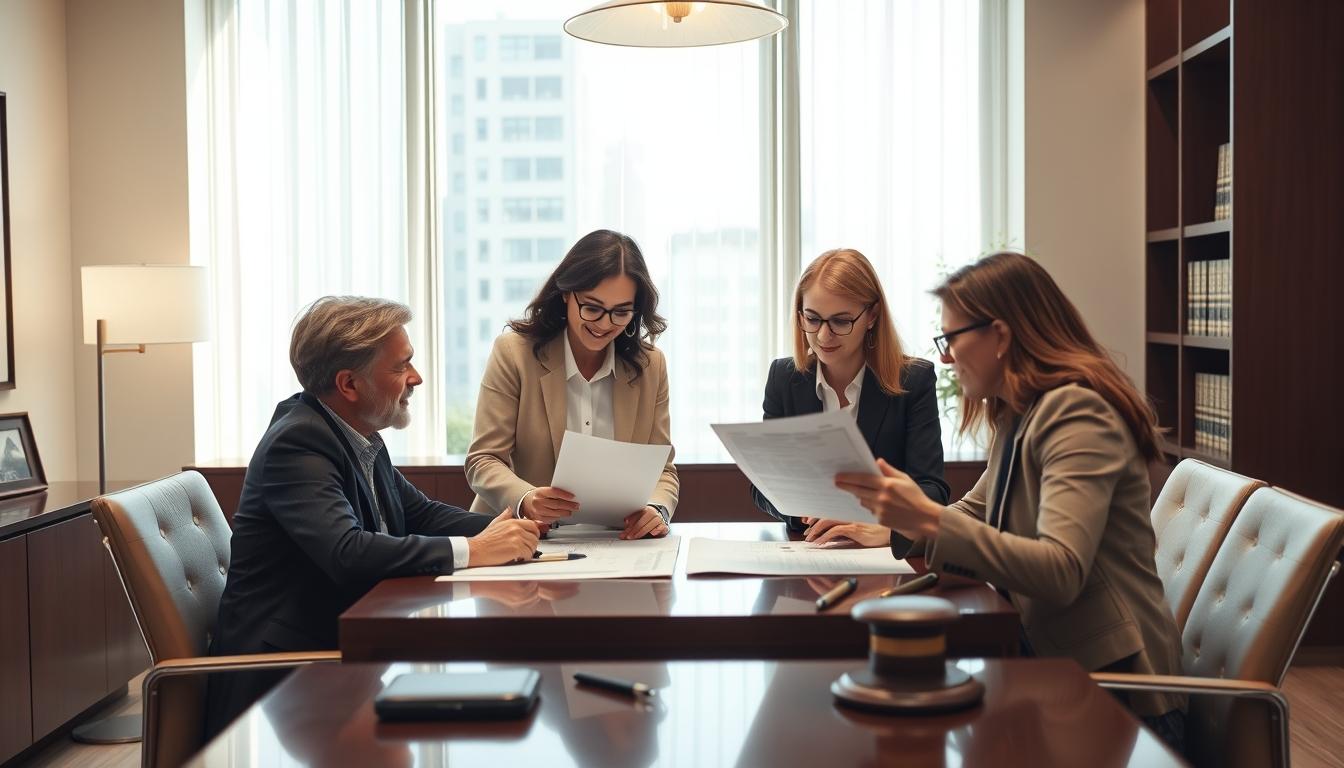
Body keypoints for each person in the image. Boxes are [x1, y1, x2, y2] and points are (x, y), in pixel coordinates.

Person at [835, 252, 1186, 750]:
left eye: (952, 338)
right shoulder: (1021, 412)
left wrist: (928, 518)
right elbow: (977, 511)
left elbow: (1060, 570)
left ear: (1000, 335)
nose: (945, 357)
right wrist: (896, 522)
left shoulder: (1077, 413)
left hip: (1121, 699)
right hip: (1058, 671)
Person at [205, 296, 540, 737]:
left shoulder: (355, 431)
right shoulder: (299, 442)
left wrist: (531, 527)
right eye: (402, 366)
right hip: (286, 674)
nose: (416, 378)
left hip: (344, 643)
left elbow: (419, 513)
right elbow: (347, 551)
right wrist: (476, 550)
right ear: (349, 385)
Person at [466, 230, 677, 539]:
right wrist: (527, 498)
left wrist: (656, 510)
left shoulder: (651, 366)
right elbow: (482, 460)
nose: (605, 324)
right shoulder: (514, 353)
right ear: (566, 292)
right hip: (522, 539)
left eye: (620, 312)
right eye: (592, 307)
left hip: (617, 544)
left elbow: (663, 469)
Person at [752, 248, 949, 548]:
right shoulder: (784, 377)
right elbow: (762, 486)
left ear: (872, 316)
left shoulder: (913, 380)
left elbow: (933, 490)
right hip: (810, 547)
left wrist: (879, 523)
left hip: (882, 554)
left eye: (841, 321)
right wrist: (805, 513)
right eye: (813, 319)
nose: (823, 336)